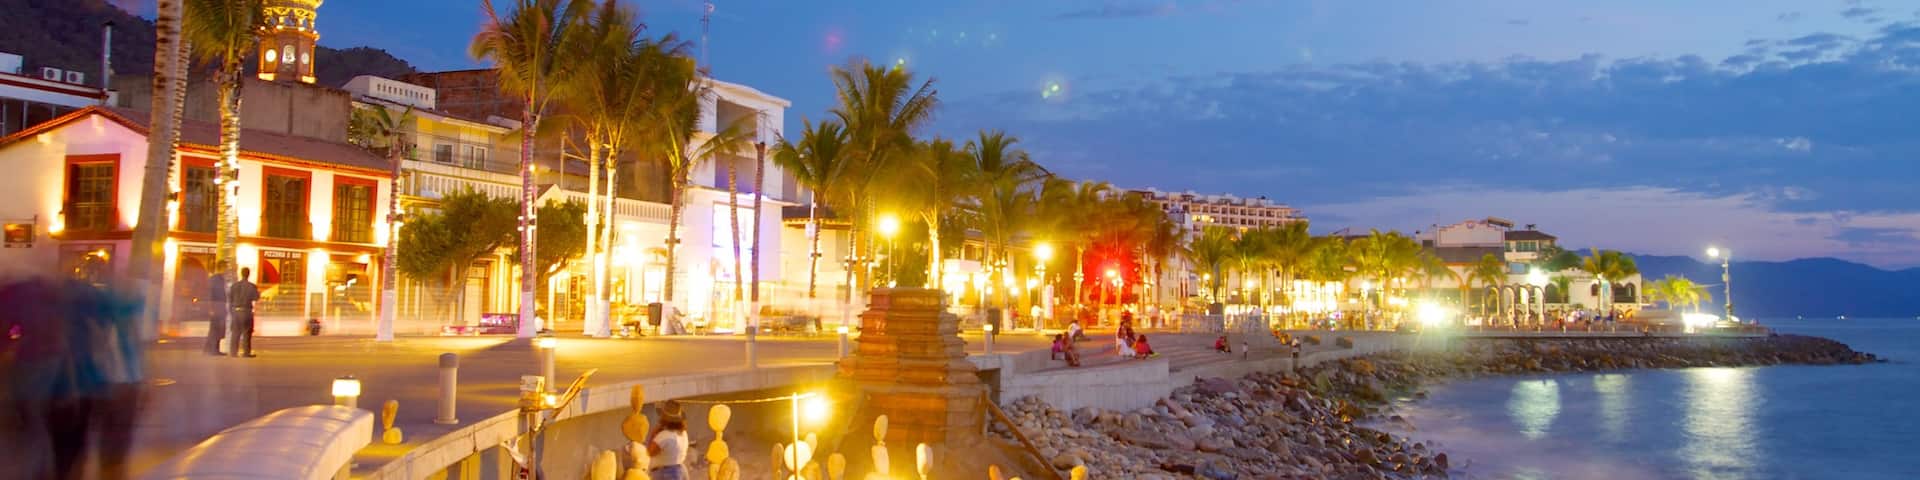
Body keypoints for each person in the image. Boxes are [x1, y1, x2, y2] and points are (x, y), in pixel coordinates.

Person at [647, 406, 690, 480]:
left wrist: (653, 435)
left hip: (666, 473)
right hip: (681, 470)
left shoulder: (664, 436)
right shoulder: (683, 433)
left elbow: (649, 452)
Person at [228, 267, 260, 357]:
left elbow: (230, 298)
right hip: (246, 311)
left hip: (236, 311)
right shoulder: (252, 286)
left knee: (235, 332)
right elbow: (256, 298)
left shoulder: (234, 286)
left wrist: (231, 311)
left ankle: (233, 352)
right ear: (248, 274)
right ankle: (246, 352)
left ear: (241, 274)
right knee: (247, 333)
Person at [202, 264, 229, 355]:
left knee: (218, 329)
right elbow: (211, 293)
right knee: (215, 328)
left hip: (220, 306)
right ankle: (212, 349)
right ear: (221, 268)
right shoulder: (215, 279)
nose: (227, 270)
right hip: (217, 306)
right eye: (226, 268)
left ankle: (212, 349)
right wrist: (211, 307)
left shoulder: (220, 279)